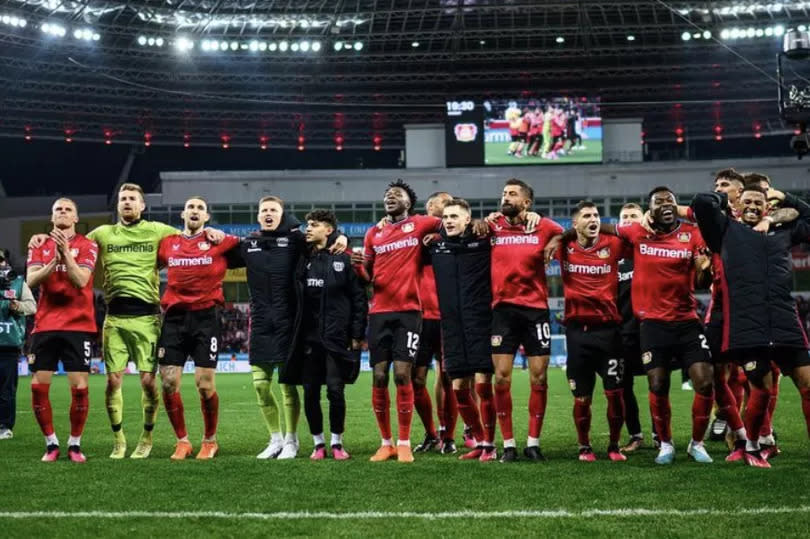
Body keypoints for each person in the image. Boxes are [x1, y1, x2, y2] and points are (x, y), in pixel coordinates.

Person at [29, 183, 225, 459]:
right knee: (113, 382)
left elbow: (188, 236)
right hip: (115, 318)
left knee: (149, 382)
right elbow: (73, 241)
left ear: (142, 206)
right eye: (123, 199)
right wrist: (40, 238)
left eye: (133, 199)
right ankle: (119, 439)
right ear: (118, 205)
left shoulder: (159, 231)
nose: (127, 203)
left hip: (147, 317)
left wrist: (211, 231)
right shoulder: (102, 234)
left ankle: (146, 438)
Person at [691, 185, 810, 467]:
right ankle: (753, 447)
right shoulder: (724, 231)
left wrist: (785, 200)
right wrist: (725, 199)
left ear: (768, 208)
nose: (754, 206)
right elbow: (700, 202)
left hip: (783, 318)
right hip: (747, 323)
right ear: (737, 207)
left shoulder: (782, 231)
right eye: (748, 202)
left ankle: (759, 445)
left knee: (807, 384)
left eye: (759, 202)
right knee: (762, 388)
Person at [231, 196, 350, 460]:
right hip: (260, 322)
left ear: (283, 215)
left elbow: (322, 235)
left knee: (287, 385)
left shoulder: (296, 241)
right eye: (264, 210)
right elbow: (219, 254)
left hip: (289, 322)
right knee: (261, 385)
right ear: (258, 215)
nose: (269, 214)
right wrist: (212, 234)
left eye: (274, 210)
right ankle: (274, 439)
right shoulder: (248, 243)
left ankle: (291, 440)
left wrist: (341, 237)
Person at [614, 186, 714, 465]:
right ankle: (666, 444)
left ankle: (697, 443)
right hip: (653, 324)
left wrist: (704, 268)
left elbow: (702, 283)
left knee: (704, 382)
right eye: (659, 202)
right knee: (658, 384)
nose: (666, 205)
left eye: (670, 200)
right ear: (650, 210)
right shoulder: (636, 232)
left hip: (687, 321)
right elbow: (607, 232)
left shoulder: (692, 234)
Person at [362, 179, 442, 463]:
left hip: (409, 312)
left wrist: (439, 236)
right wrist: (355, 262)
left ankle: (405, 442)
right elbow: (367, 275)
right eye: (387, 194)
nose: (390, 197)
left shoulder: (422, 224)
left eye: (397, 194)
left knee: (402, 375)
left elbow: (452, 224)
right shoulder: (374, 233)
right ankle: (386, 443)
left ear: (409, 202)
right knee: (380, 375)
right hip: (379, 312)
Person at [157, 197, 240, 460]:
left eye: (200, 208)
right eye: (190, 207)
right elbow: (148, 266)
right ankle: (182, 441)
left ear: (206, 217)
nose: (194, 211)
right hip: (174, 318)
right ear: (183, 214)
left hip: (206, 317)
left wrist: (223, 234)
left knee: (204, 385)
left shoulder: (219, 241)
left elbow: (243, 245)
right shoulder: (168, 243)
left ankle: (210, 440)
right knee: (169, 382)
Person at [489, 178, 563, 462]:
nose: (505, 197)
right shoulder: (493, 225)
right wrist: (483, 220)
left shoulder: (542, 225)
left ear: (527, 203)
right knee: (501, 379)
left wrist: (554, 238)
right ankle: (508, 444)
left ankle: (533, 442)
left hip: (535, 311)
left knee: (539, 376)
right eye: (504, 193)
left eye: (512, 194)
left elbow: (567, 234)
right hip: (503, 310)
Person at [25, 198, 97, 462]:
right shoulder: (40, 245)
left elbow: (81, 280)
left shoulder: (88, 245)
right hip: (45, 324)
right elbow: (31, 280)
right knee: (37, 386)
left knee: (79, 387)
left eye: (68, 209)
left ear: (76, 218)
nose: (63, 212)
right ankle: (51, 443)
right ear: (52, 216)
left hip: (79, 326)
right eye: (59, 209)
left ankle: (75, 445)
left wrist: (66, 253)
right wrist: (52, 261)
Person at [555, 201, 627, 462]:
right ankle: (584, 445)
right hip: (577, 334)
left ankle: (614, 444)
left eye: (596, 215)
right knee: (582, 397)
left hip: (609, 333)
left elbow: (635, 237)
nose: (593, 219)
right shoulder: (563, 247)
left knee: (615, 393)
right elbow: (540, 239)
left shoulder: (614, 244)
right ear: (575, 224)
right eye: (586, 216)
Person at [430, 198, 498, 461]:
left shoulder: (483, 242)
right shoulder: (436, 246)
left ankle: (490, 445)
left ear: (468, 219)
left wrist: (489, 221)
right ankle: (480, 441)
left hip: (480, 321)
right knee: (458, 386)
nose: (449, 221)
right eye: (446, 217)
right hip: (451, 324)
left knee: (482, 384)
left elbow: (503, 226)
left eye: (455, 216)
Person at [299, 210, 367, 460]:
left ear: (328, 230)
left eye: (314, 225)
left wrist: (357, 334)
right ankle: (318, 443)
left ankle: (337, 442)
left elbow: (359, 300)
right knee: (310, 392)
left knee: (336, 391)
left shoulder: (345, 260)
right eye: (307, 225)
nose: (308, 228)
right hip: (308, 339)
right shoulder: (302, 257)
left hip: (337, 336)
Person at [413, 191, 456, 454]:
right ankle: (431, 433)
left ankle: (449, 436)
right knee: (416, 380)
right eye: (444, 202)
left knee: (451, 378)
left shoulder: (462, 233)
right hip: (418, 318)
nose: (432, 206)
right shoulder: (416, 234)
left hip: (447, 317)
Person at [615, 203, 647, 453]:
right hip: (621, 332)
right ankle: (635, 435)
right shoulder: (611, 253)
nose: (628, 220)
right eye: (624, 217)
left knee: (660, 383)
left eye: (633, 216)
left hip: (651, 329)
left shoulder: (650, 247)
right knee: (624, 387)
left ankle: (662, 435)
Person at [0, 248, 36, 441]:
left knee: (6, 390)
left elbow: (32, 307)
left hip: (8, 345)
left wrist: (17, 306)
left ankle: (5, 426)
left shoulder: (18, 283)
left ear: (5, 262)